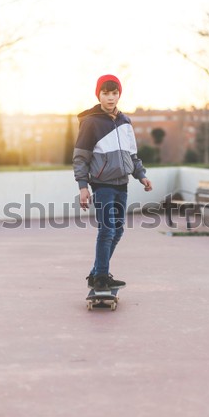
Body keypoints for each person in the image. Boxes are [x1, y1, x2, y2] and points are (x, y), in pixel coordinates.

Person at [72, 74, 152, 291]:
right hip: (102, 184)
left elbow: (132, 155)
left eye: (114, 93)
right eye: (105, 93)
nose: (110, 97)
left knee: (117, 231)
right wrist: (83, 187)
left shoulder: (126, 122)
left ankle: (97, 273)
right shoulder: (91, 122)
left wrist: (141, 175)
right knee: (107, 230)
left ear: (119, 95)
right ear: (98, 94)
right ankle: (101, 277)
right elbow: (81, 157)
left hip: (121, 184)